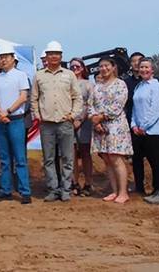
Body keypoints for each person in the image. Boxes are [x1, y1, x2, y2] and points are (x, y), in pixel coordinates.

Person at [31, 41, 82, 202]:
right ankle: (53, 189)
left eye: (56, 53)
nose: (53, 56)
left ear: (61, 56)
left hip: (65, 122)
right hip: (46, 124)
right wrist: (38, 115)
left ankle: (66, 189)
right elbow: (34, 98)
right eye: (50, 53)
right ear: (46, 56)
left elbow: (77, 97)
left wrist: (73, 115)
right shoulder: (39, 75)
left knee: (67, 158)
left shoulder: (69, 75)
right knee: (49, 159)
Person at [0, 44, 32, 204]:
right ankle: (6, 190)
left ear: (13, 59)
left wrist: (7, 112)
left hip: (16, 120)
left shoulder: (20, 75)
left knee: (20, 158)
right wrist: (0, 113)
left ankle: (25, 191)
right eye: (1, 57)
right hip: (1, 122)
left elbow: (23, 97)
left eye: (5, 57)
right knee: (4, 158)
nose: (2, 60)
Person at [89, 57, 133, 204]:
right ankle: (114, 191)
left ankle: (123, 192)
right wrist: (95, 120)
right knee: (107, 159)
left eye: (107, 65)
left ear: (113, 67)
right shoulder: (97, 86)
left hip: (115, 126)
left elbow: (117, 105)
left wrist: (101, 117)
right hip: (99, 128)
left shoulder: (121, 85)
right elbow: (90, 104)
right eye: (101, 66)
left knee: (116, 158)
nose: (104, 68)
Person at [131, 58, 159, 204]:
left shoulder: (156, 87)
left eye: (147, 67)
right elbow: (135, 109)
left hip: (153, 132)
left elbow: (155, 110)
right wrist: (134, 125)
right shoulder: (139, 87)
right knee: (152, 163)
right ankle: (156, 191)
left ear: (152, 70)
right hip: (140, 131)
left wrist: (144, 126)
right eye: (142, 67)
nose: (144, 70)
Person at [68, 58, 94, 197]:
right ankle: (74, 182)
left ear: (83, 68)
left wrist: (81, 120)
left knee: (85, 153)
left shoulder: (88, 85)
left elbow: (90, 104)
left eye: (77, 66)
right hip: (69, 121)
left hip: (84, 122)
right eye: (72, 66)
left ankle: (88, 183)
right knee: (71, 154)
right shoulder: (67, 83)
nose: (74, 68)